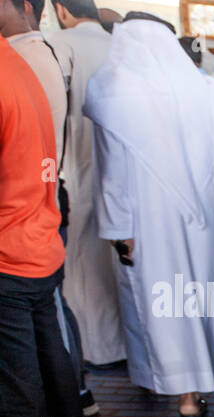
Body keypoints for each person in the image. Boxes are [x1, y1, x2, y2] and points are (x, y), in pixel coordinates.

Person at [83, 12, 214, 417]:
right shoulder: (210, 92)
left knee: (159, 306)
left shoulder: (114, 89)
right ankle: (195, 391)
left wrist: (118, 229)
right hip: (206, 221)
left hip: (149, 222)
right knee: (198, 300)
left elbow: (112, 174)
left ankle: (170, 384)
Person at [1, 33, 92, 417]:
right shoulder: (20, 64)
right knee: (53, 377)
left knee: (16, 391)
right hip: (38, 244)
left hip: (7, 256)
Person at [49, 0, 124, 371]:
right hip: (122, 178)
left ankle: (95, 350)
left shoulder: (58, 46)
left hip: (76, 176)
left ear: (61, 10)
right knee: (116, 266)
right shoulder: (121, 47)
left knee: (82, 270)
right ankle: (125, 345)